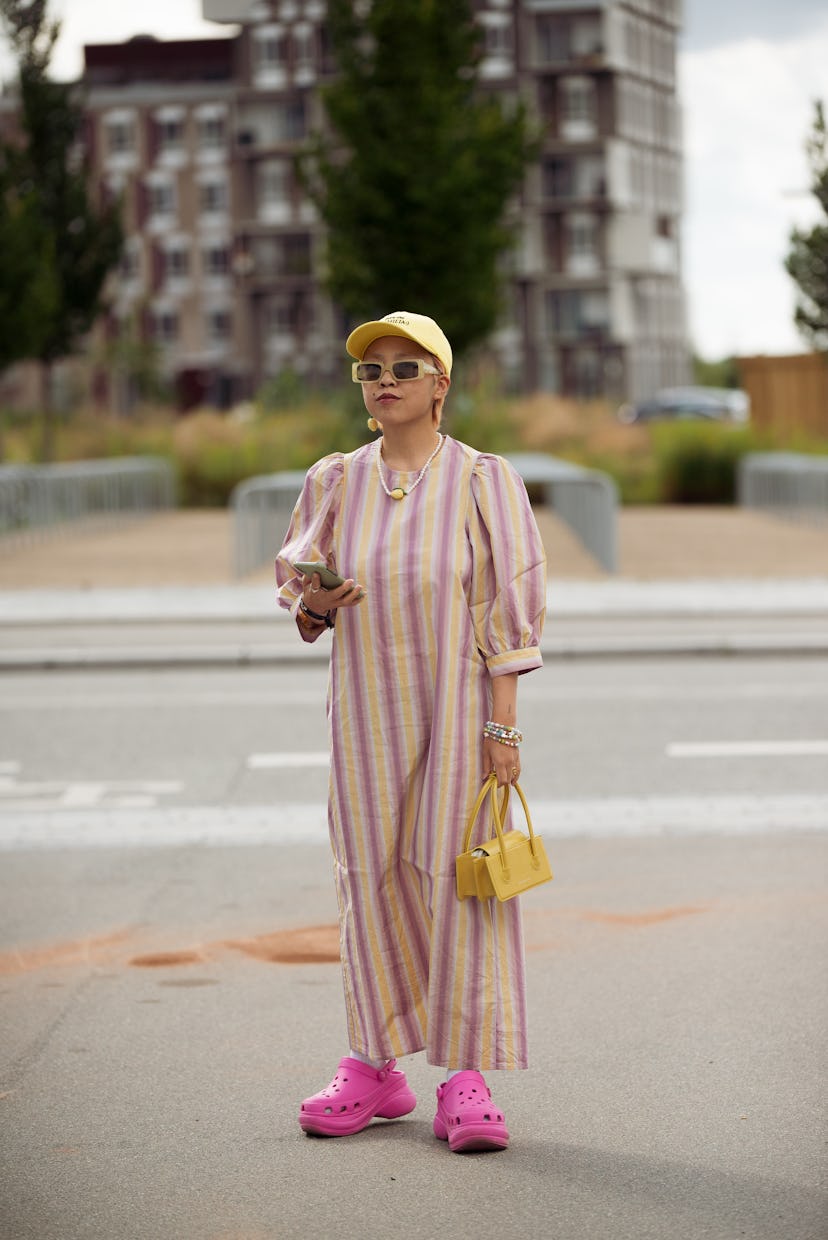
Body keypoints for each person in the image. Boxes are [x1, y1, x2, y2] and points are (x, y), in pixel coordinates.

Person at [275, 311, 546, 1153]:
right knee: (369, 878)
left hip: (460, 713)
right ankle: (374, 1064)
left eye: (406, 365)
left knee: (458, 882)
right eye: (371, 370)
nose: (385, 379)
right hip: (362, 715)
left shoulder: (481, 479)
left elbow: (510, 604)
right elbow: (301, 601)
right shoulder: (333, 480)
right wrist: (319, 599)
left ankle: (465, 1078)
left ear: (441, 384)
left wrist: (504, 728)